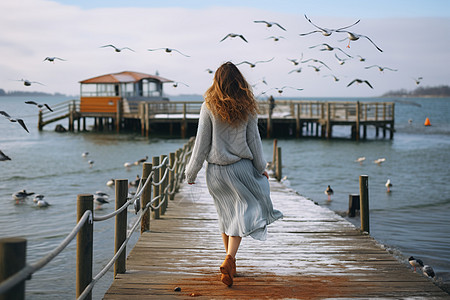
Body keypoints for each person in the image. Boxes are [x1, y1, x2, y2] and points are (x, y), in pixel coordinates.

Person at [185, 62, 283, 287]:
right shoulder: (247, 107)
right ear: (239, 82)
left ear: (217, 81)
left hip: (216, 173)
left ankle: (229, 267)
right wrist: (261, 169)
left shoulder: (208, 105)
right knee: (238, 216)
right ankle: (229, 259)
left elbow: (201, 145)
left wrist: (191, 173)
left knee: (225, 216)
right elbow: (254, 142)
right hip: (241, 170)